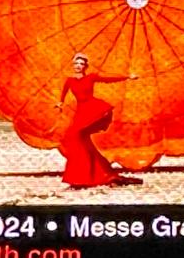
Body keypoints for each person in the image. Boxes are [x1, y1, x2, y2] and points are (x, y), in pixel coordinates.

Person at [56, 53, 137, 187]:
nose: (78, 66)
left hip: (91, 108)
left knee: (77, 137)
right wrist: (60, 103)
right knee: (79, 140)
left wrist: (127, 76)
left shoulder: (91, 77)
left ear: (85, 66)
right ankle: (94, 173)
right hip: (80, 112)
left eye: (81, 64)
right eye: (76, 63)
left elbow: (108, 78)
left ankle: (84, 177)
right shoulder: (69, 81)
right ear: (73, 65)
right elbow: (63, 93)